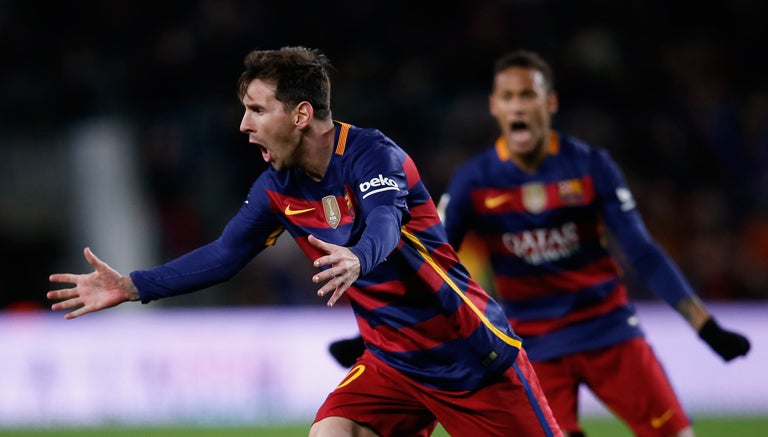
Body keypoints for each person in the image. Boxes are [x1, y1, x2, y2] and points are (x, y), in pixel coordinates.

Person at [47, 46, 562, 437]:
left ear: (298, 116)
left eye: (255, 109)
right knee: (329, 433)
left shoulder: (372, 155)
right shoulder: (277, 188)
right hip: (393, 366)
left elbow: (384, 219)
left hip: (472, 358)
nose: (244, 125)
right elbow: (226, 255)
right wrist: (133, 285)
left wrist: (359, 258)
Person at [329, 49, 751, 437]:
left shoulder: (589, 167)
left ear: (549, 104)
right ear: (495, 106)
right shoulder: (475, 181)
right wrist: (369, 336)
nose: (518, 106)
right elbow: (433, 264)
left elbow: (642, 251)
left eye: (528, 95)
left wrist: (705, 327)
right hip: (534, 345)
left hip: (610, 334)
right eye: (508, 97)